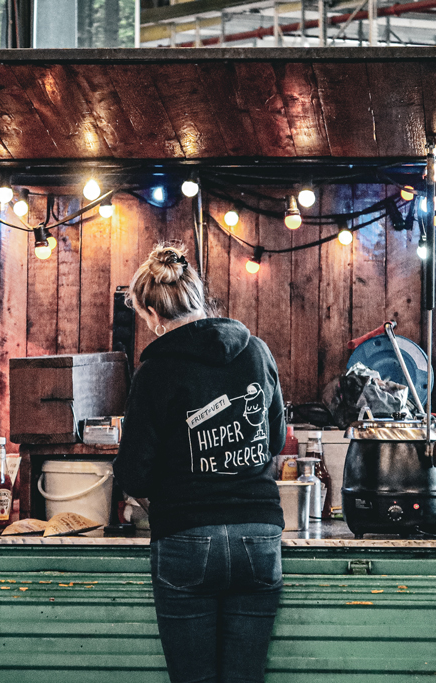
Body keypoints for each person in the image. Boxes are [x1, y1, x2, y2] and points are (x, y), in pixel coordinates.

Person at [114, 244, 287, 683]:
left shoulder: (154, 372)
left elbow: (133, 471)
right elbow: (276, 436)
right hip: (258, 535)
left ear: (153, 312)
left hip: (186, 539)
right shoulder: (257, 351)